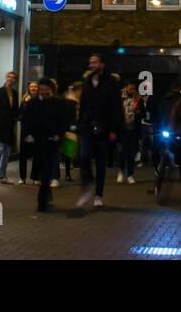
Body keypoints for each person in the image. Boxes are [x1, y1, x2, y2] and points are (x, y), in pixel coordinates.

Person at [76, 54, 120, 207]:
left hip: (104, 127)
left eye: (95, 62)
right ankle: (87, 184)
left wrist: (114, 129)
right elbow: (82, 104)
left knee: (101, 163)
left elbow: (116, 107)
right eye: (90, 63)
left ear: (102, 64)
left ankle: (98, 194)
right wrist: (79, 124)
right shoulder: (87, 81)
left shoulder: (111, 82)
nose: (92, 65)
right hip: (87, 126)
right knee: (83, 156)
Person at [21, 79, 66, 212]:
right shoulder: (33, 102)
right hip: (38, 140)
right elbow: (26, 119)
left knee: (46, 169)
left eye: (45, 89)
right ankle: (46, 193)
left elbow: (62, 120)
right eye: (41, 89)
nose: (43, 92)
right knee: (41, 168)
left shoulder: (57, 102)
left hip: (51, 141)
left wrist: (59, 134)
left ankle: (42, 199)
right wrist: (28, 135)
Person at [117, 80, 144, 184]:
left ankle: (130, 175)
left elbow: (143, 111)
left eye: (133, 88)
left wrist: (138, 112)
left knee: (131, 153)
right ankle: (120, 171)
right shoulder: (119, 96)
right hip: (122, 129)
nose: (132, 91)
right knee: (121, 152)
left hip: (133, 129)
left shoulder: (138, 97)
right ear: (126, 87)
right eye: (130, 88)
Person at [17, 81, 40, 184]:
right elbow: (20, 115)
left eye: (35, 86)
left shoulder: (41, 99)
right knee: (23, 155)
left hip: (37, 131)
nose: (33, 88)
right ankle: (22, 178)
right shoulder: (24, 100)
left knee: (36, 155)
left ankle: (35, 178)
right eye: (31, 86)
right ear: (28, 88)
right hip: (25, 131)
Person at [60, 83, 80, 183]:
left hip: (75, 128)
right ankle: (67, 173)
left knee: (70, 151)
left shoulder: (77, 101)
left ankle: (68, 172)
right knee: (68, 152)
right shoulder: (68, 102)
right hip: (69, 129)